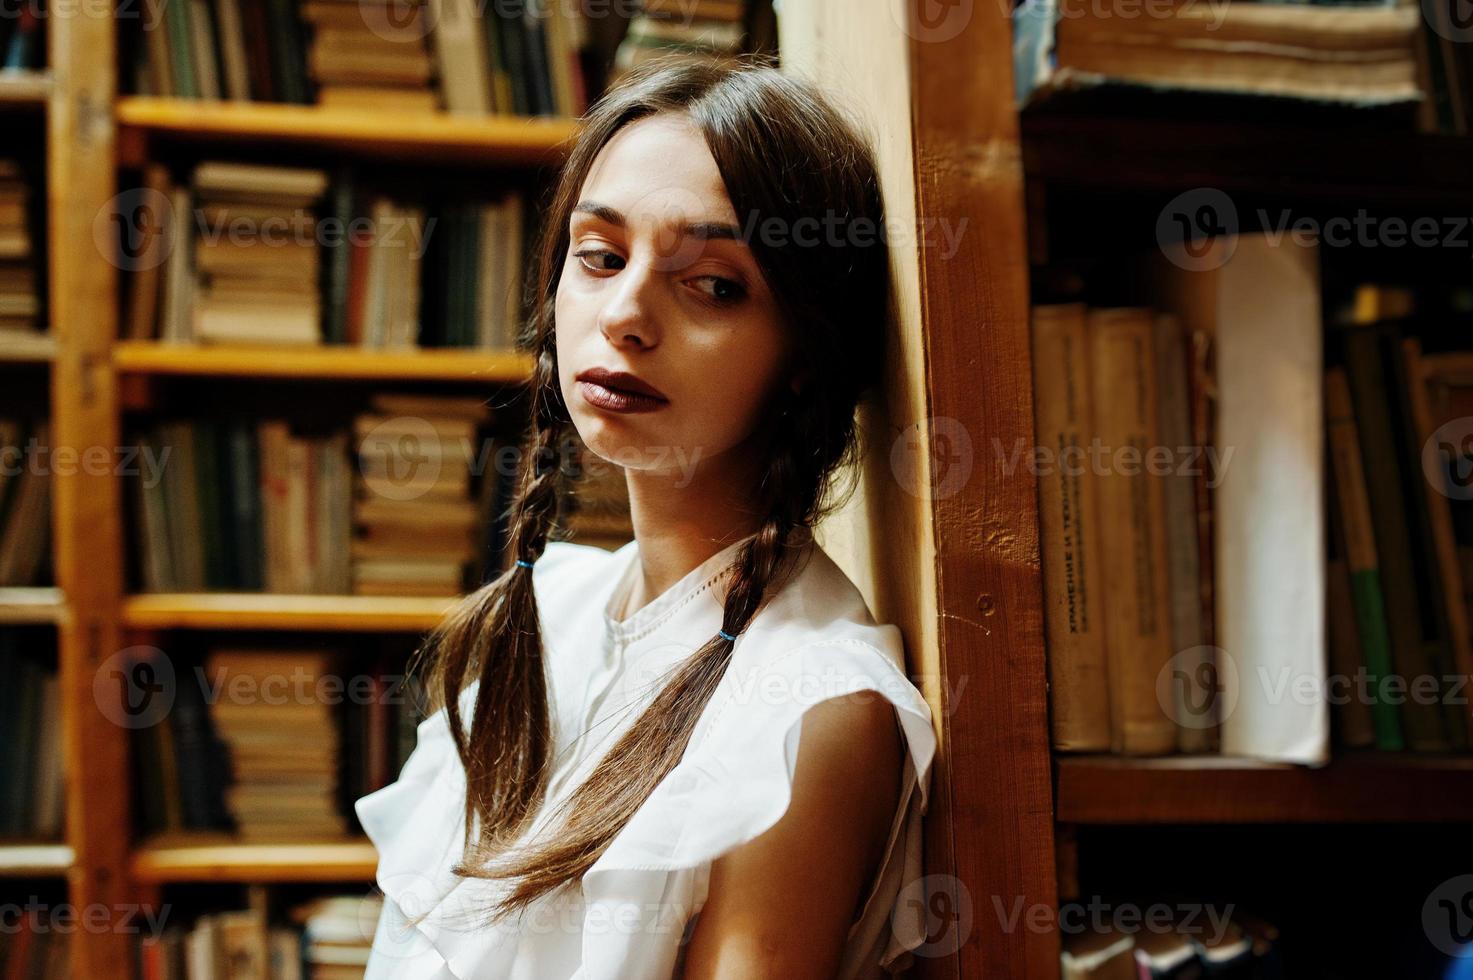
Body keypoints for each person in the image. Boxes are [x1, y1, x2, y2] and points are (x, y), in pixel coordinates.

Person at [354, 56, 937, 979]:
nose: (624, 314)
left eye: (713, 284)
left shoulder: (815, 707)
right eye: (600, 255)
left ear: (803, 348)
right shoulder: (553, 612)